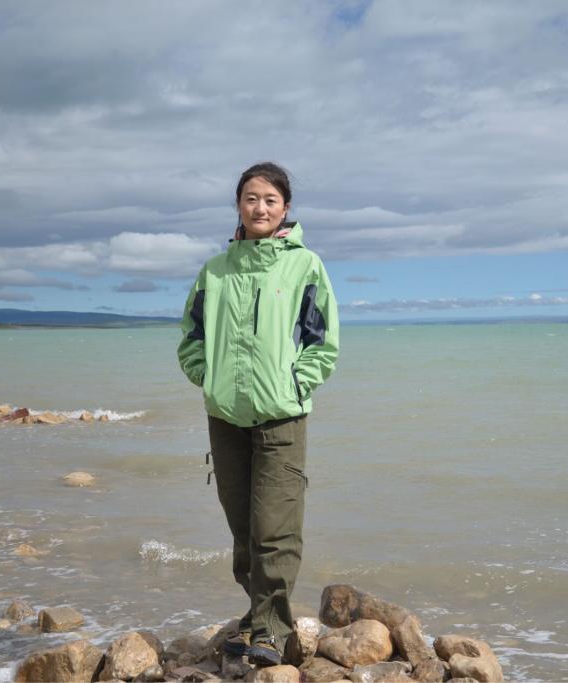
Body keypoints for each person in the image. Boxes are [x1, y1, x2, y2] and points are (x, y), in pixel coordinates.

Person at [177, 162, 339, 666]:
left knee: (275, 527)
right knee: (243, 526)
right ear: (238, 206)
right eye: (251, 198)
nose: (260, 207)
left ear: (285, 208)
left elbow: (322, 341)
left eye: (270, 199)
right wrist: (209, 378)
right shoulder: (215, 271)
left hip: (281, 414)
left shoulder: (304, 265)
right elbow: (191, 336)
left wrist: (295, 383)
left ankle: (272, 630)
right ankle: (257, 616)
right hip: (225, 415)